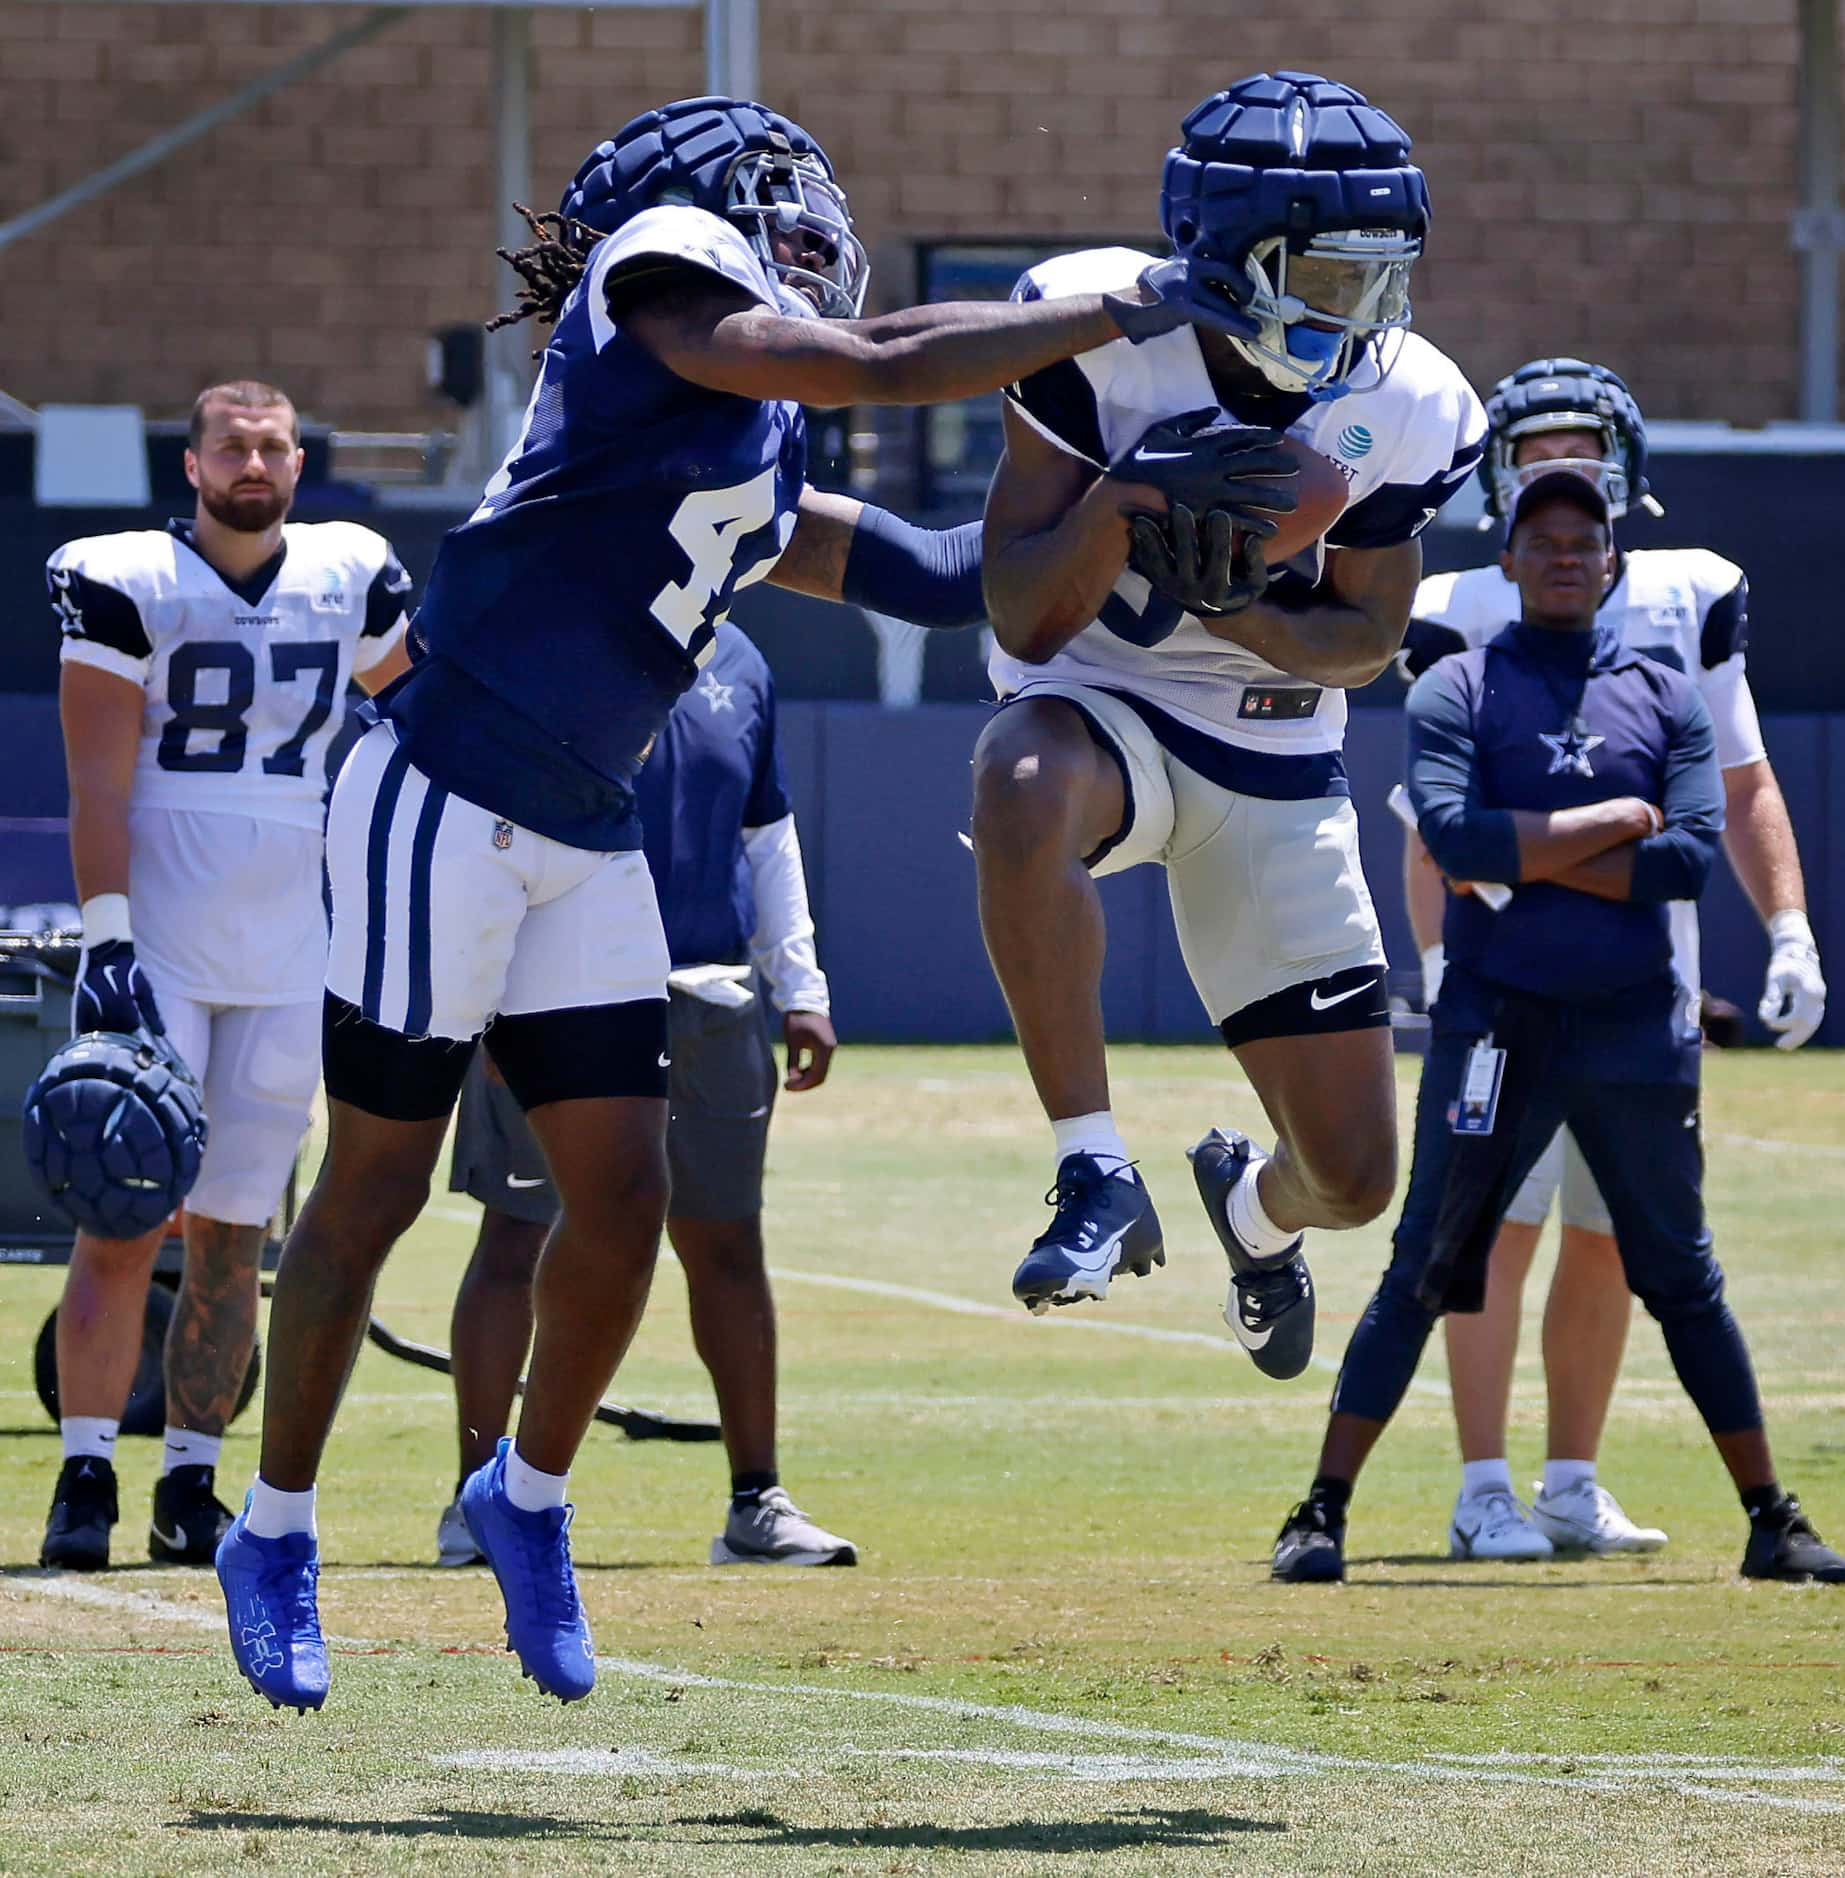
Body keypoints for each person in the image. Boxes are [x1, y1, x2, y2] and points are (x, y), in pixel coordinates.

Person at [214, 93, 1257, 1714]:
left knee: (623, 1199)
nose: (800, 215)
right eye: (766, 188)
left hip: (581, 826)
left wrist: (1120, 508)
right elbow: (878, 356)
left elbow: (924, 571)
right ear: (683, 209)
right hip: (441, 790)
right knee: (372, 1188)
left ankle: (528, 1498)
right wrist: (1120, 305)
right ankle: (272, 1530)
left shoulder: (751, 430)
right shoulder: (655, 279)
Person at [972, 71, 1483, 1366]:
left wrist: (1238, 605)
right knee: (1017, 776)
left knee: (1355, 1178)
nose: (1360, 316)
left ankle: (1251, 1217)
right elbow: (1024, 616)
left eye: (1379, 277)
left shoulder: (1409, 398)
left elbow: (1363, 641)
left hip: (1271, 740)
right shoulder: (1094, 335)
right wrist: (1120, 502)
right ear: (1222, 256)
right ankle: (1089, 1165)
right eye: (1324, 279)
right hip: (1100, 703)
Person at [1271, 470, 1845, 1589]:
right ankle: (1320, 1513)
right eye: (1538, 540)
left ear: (1610, 563)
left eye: (1580, 541)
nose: (1561, 556)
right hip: (1496, 1022)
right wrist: (1604, 826)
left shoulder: (1666, 697)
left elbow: (1686, 861)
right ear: (1506, 563)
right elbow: (1453, 837)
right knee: (1426, 1264)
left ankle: (1771, 1521)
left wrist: (1532, 848)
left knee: (1680, 1276)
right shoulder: (1459, 687)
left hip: (1637, 1030)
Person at [1398, 360, 1829, 1563]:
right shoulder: (1463, 607)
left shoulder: (1690, 595)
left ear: (1626, 466)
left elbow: (1740, 783)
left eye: (1579, 446)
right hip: (1509, 982)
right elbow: (1427, 824)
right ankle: (1481, 1484)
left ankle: (1569, 1481)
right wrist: (1440, 966)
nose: (1557, 472)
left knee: (1607, 1236)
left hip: (1643, 984)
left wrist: (1786, 925)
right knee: (1491, 1230)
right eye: (1532, 449)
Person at [39, 380, 411, 1571]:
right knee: (124, 1213)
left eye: (272, 446)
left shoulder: (350, 569)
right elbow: (97, 784)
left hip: (293, 944)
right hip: (166, 937)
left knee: (238, 1234)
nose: (253, 463)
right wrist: (107, 942)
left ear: (300, 461)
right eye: (231, 447)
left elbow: (420, 714)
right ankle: (86, 1471)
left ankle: (190, 1484)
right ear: (191, 467)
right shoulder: (127, 577)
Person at [434, 622, 855, 1571]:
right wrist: (489, 988)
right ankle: (477, 1502)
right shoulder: (546, 638)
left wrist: (804, 987)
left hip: (709, 994)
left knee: (727, 1242)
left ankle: (757, 1503)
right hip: (558, 990)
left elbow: (766, 832)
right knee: (514, 1232)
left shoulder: (746, 660)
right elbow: (487, 821)